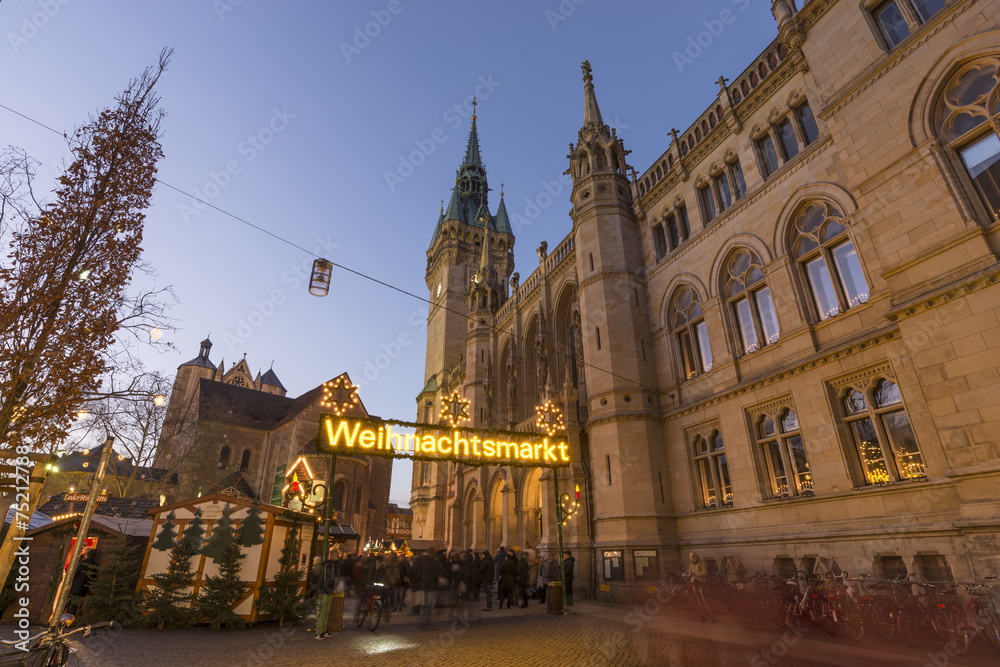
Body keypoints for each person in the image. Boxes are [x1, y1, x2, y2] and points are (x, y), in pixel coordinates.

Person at [67, 547, 98, 614]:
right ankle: (69, 621)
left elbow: (74, 574)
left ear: (87, 554)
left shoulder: (83, 563)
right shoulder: (95, 565)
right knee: (74, 607)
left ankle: (59, 620)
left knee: (65, 604)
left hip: (73, 587)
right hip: (83, 589)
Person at [313, 554, 336, 639]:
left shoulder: (329, 565)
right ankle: (319, 632)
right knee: (323, 611)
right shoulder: (324, 567)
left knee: (326, 612)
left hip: (326, 590)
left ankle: (323, 630)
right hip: (324, 591)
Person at [688, 551, 713, 621]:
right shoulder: (691, 564)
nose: (692, 559)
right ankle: (703, 615)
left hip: (701, 582)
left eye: (693, 557)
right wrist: (690, 573)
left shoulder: (701, 562)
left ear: (696, 556)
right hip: (694, 582)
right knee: (699, 600)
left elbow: (705, 572)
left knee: (704, 600)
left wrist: (696, 574)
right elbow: (690, 571)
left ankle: (711, 615)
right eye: (691, 557)